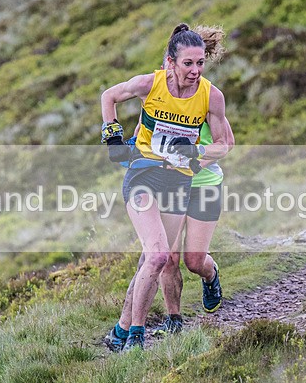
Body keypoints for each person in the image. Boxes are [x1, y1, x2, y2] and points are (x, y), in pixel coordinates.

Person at [100, 23, 234, 351]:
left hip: (187, 181)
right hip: (146, 175)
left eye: (200, 63)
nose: (195, 70)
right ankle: (140, 332)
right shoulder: (152, 84)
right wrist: (113, 139)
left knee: (188, 259)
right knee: (160, 256)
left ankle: (123, 329)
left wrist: (194, 155)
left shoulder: (211, 96)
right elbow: (110, 97)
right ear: (170, 62)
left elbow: (224, 144)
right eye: (188, 63)